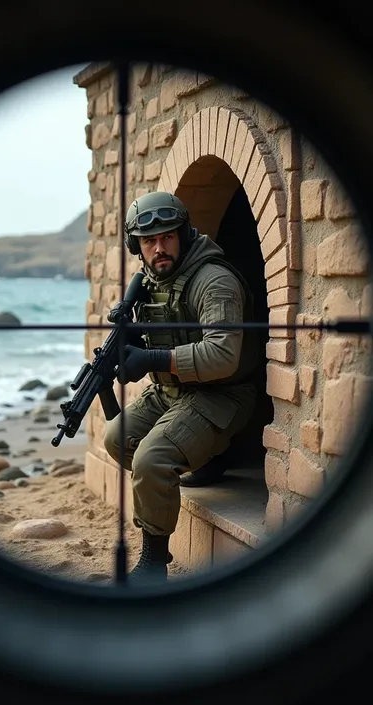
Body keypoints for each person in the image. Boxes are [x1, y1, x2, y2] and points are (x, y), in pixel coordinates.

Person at [103, 191, 260, 582]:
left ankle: (154, 563)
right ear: (135, 246)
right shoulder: (154, 280)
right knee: (115, 438)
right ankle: (203, 460)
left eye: (168, 237)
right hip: (173, 392)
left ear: (184, 234)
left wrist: (153, 360)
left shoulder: (214, 281)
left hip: (222, 393)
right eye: (148, 241)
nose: (159, 248)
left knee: (151, 460)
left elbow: (224, 355)